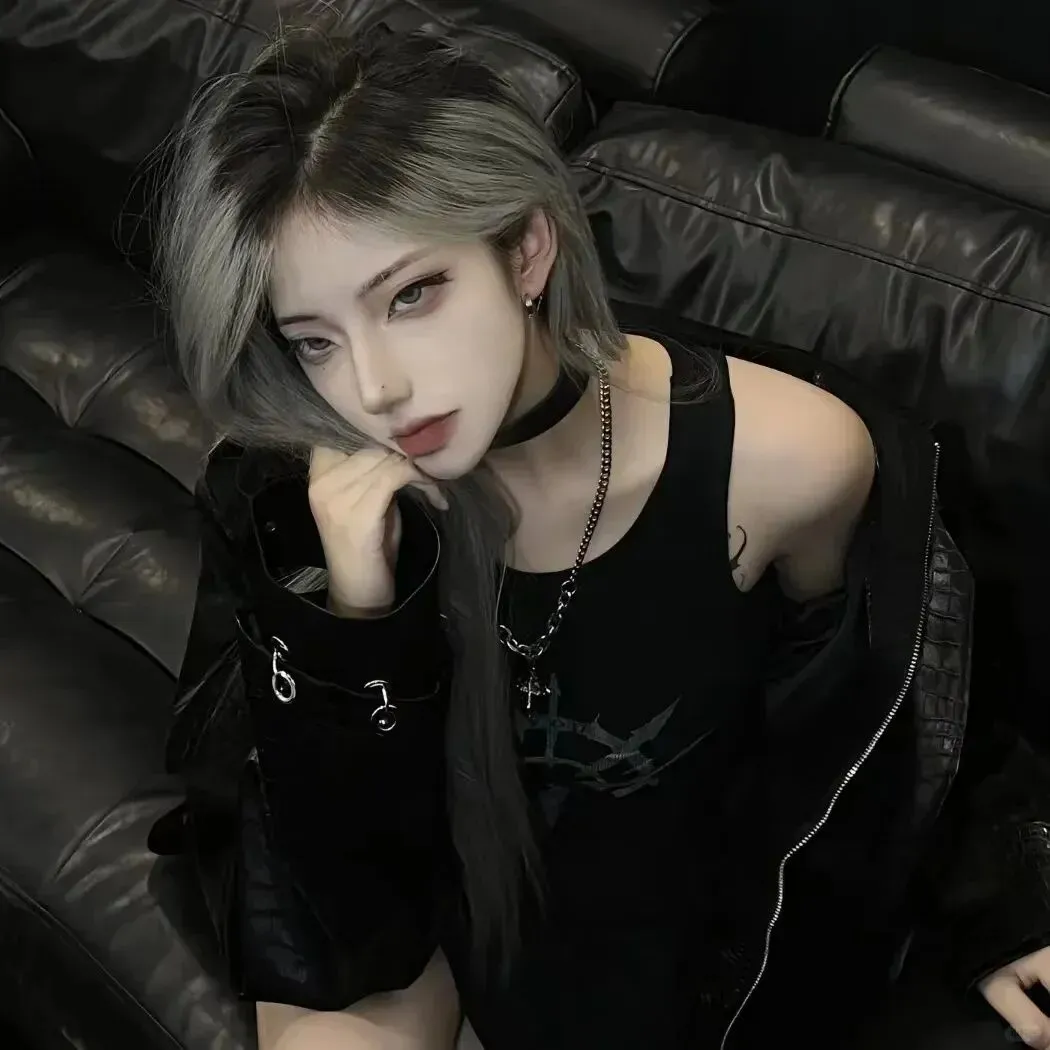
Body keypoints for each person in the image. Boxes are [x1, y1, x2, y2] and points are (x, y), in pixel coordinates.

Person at [147, 16, 1050, 1050]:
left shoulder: (785, 463)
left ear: (526, 249)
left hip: (638, 934)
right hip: (426, 902)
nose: (373, 388)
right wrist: (355, 622)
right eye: (315, 342)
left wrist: (1006, 901)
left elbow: (887, 703)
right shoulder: (301, 487)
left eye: (412, 295)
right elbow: (348, 890)